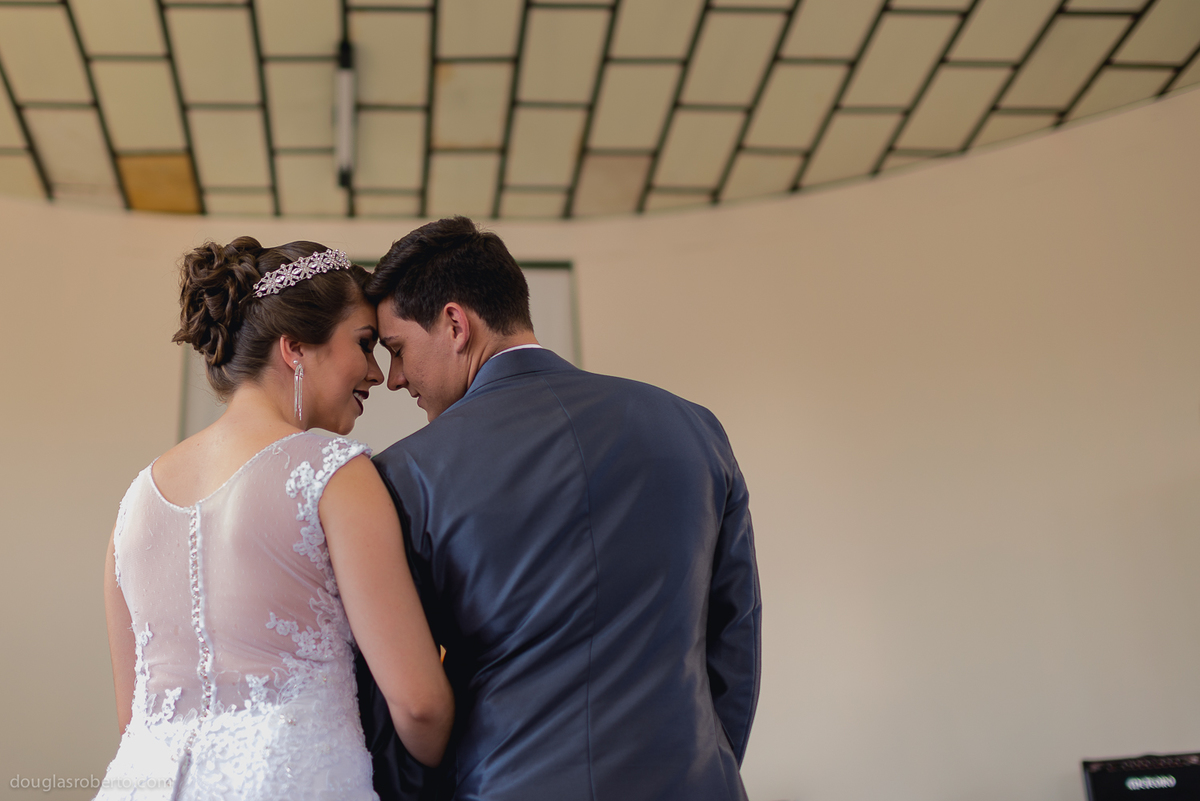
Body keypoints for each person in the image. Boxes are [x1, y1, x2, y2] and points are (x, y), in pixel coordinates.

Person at [358, 217, 761, 801]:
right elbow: (733, 635)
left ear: (454, 323)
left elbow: (399, 701)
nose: (394, 379)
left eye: (397, 350)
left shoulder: (403, 476)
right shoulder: (692, 428)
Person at [97, 238, 453, 800]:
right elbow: (420, 707)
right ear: (294, 349)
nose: (378, 375)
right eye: (363, 344)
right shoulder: (332, 474)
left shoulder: (133, 505)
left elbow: (132, 721)